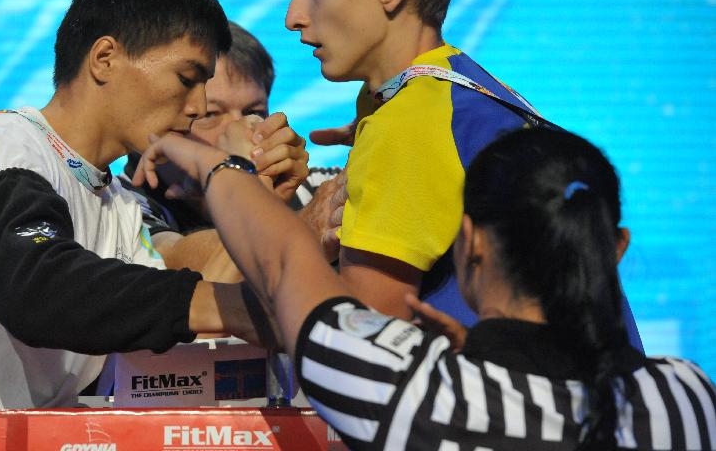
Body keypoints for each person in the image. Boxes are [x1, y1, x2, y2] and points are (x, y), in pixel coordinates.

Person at [0, 0, 266, 451]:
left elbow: (164, 312)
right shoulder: (1, 147)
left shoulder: (117, 203)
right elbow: (41, 289)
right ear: (104, 58)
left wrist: (259, 195)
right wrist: (235, 307)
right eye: (188, 78)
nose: (199, 105)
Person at [134, 125, 716, 450]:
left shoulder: (409, 390)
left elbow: (284, 262)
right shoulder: (689, 396)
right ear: (615, 248)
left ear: (472, 243)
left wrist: (210, 162)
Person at [283, 0, 643, 351]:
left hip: (513, 420)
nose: (293, 15)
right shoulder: (457, 93)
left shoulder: (409, 123)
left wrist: (252, 208)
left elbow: (356, 343)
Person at [118, 21, 343, 281]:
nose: (241, 129)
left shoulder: (318, 185)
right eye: (210, 114)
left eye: (254, 112)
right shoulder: (118, 204)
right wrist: (306, 226)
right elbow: (178, 265)